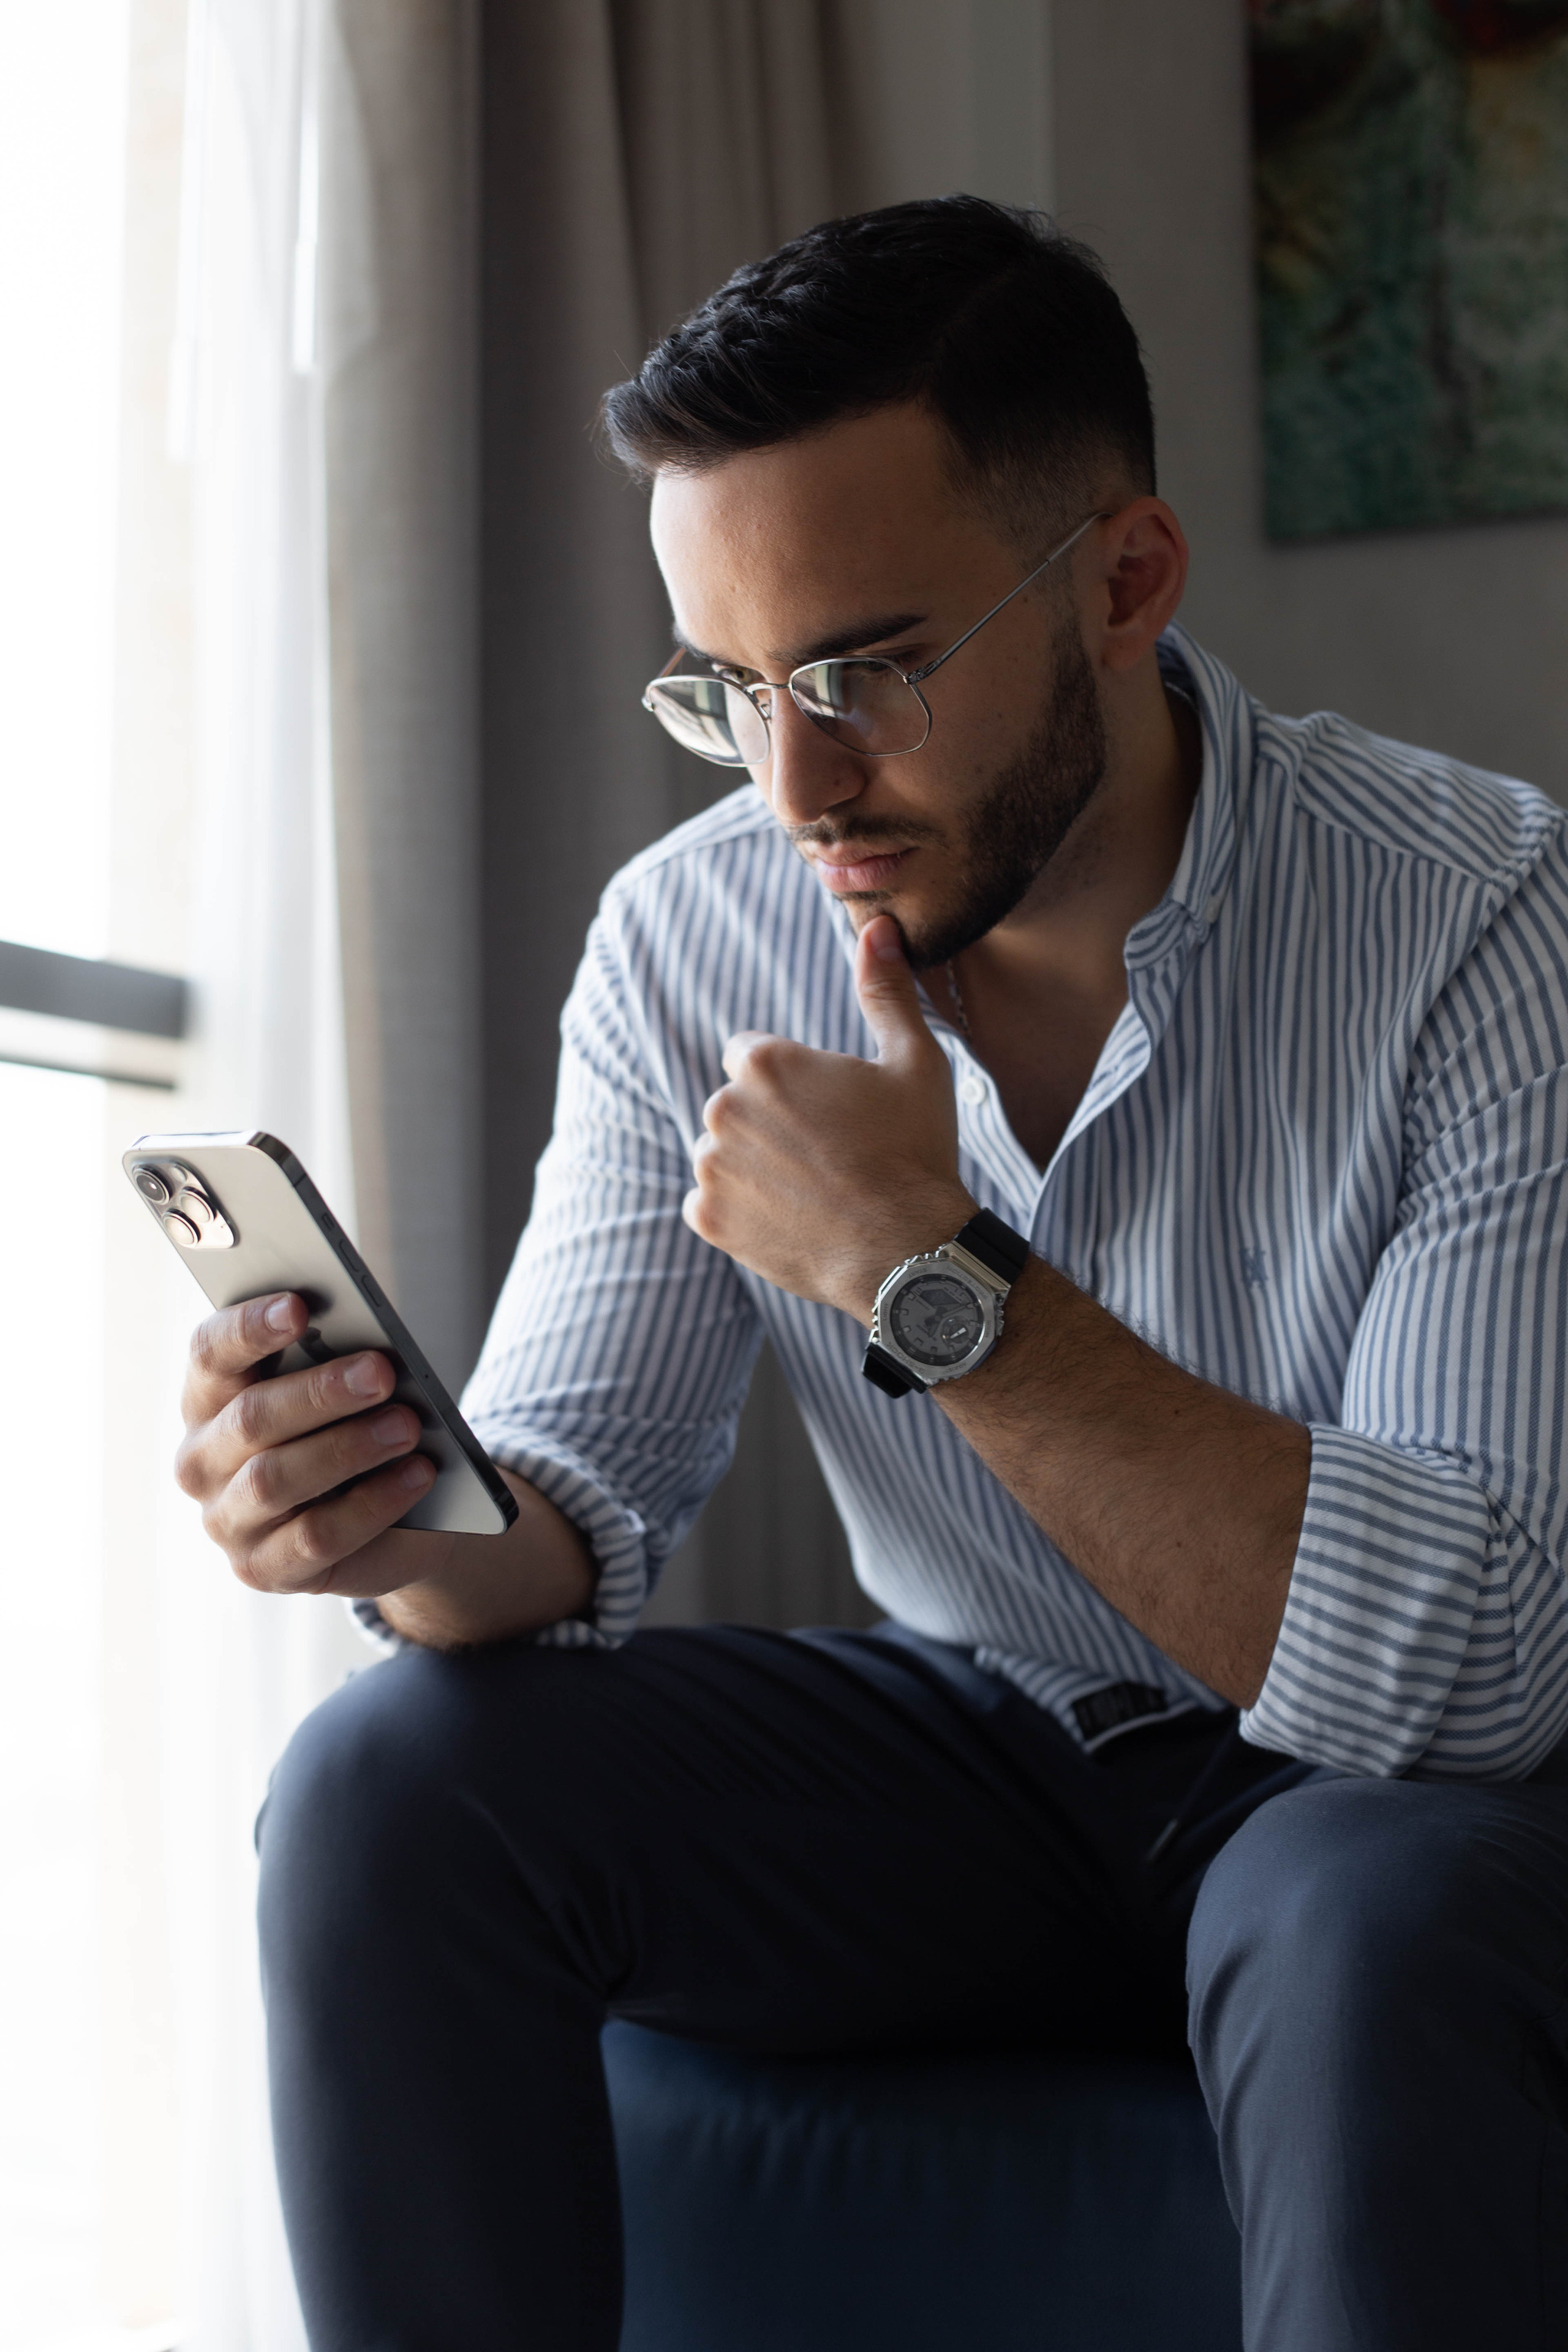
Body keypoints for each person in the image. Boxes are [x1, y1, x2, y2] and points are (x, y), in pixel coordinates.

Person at [174, 198, 1568, 2350]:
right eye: (725, 690)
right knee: (387, 1789)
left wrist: (937, 1276)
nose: (794, 783)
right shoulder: (689, 931)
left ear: (1124, 581)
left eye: (864, 671)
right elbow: (572, 1489)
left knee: (1368, 1921)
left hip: (1385, 1811)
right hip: (993, 1760)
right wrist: (395, 1516)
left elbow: (1459, 1681)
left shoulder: (1485, 919)